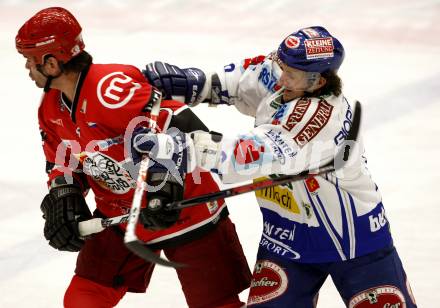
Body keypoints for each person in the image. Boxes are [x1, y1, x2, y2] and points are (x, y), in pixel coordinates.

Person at [137, 26, 418, 307]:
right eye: (283, 66)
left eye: (290, 74)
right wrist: (194, 83)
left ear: (318, 82)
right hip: (286, 239)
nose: (281, 78)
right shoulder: (292, 75)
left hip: (356, 244)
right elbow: (247, 79)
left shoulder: (319, 119)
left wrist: (184, 147)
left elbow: (252, 155)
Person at [15, 7, 252, 308]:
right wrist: (66, 194)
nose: (26, 68)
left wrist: (165, 184)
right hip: (119, 214)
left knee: (218, 305)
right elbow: (60, 162)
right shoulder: (50, 107)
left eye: (29, 60)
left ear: (51, 63)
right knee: (83, 299)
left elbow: (182, 124)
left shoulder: (109, 88)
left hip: (186, 207)